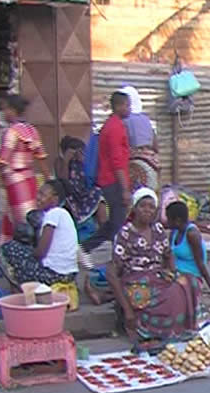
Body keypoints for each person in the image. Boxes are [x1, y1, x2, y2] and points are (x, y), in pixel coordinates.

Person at [106, 188, 198, 343]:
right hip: (135, 279)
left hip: (157, 275)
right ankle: (154, 330)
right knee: (166, 294)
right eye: (143, 206)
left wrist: (173, 272)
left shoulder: (158, 229)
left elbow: (168, 255)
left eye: (151, 207)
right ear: (134, 208)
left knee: (189, 283)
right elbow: (113, 272)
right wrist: (127, 310)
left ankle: (181, 328)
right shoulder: (125, 233)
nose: (147, 210)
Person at [0, 95, 50, 246]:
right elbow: (41, 157)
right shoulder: (31, 130)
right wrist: (50, 182)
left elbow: (2, 162)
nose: (3, 113)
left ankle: (21, 256)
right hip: (29, 179)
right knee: (21, 218)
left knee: (22, 223)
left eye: (5, 109)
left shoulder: (11, 132)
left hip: (15, 182)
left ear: (13, 110)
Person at [79, 92, 131, 266]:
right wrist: (124, 188)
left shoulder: (110, 125)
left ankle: (86, 247)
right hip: (113, 181)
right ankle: (118, 261)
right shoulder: (115, 128)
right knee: (117, 224)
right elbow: (117, 161)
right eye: (127, 105)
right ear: (119, 106)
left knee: (115, 222)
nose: (129, 109)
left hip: (110, 179)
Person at [0, 180, 78, 289]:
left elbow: (40, 253)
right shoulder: (64, 214)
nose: (38, 198)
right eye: (39, 193)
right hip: (70, 274)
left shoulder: (53, 214)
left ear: (55, 199)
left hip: (54, 275)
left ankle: (20, 288)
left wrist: (27, 254)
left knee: (7, 249)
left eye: (43, 195)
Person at [166, 201, 210, 296]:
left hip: (191, 276)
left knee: (174, 291)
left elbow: (200, 263)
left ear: (177, 221)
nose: (167, 222)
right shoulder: (174, 233)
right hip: (176, 273)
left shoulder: (192, 234)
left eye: (169, 219)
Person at [56, 136, 107, 226]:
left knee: (99, 195)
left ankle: (105, 232)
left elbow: (92, 178)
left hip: (85, 191)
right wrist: (66, 161)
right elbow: (62, 179)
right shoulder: (60, 161)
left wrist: (84, 161)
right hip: (69, 193)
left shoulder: (84, 162)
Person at [119, 86, 159, 190]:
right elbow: (155, 144)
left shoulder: (124, 120)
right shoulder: (146, 119)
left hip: (135, 162)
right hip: (152, 162)